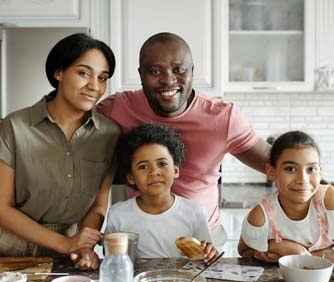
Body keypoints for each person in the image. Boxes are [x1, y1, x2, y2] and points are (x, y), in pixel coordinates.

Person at [97, 32, 270, 249]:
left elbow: (274, 162)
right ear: (140, 74)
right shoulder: (119, 108)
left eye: (179, 70)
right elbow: (75, 127)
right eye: (155, 71)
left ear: (192, 72)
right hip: (143, 239)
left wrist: (317, 183)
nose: (168, 80)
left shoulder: (223, 117)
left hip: (204, 239)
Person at [0, 33, 121, 270]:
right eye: (83, 73)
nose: (94, 86)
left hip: (72, 251)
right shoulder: (14, 126)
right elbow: (1, 207)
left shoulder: (110, 134)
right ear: (59, 72)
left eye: (103, 77)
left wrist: (83, 244)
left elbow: (98, 206)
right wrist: (65, 243)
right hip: (9, 248)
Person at [105, 123, 218, 264]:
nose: (154, 172)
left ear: (175, 170)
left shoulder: (194, 211)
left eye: (162, 164)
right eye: (143, 167)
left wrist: (210, 253)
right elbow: (111, 259)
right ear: (131, 177)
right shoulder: (118, 214)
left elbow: (206, 256)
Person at [238, 130, 334, 263]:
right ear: (271, 172)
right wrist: (268, 252)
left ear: (320, 172)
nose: (302, 180)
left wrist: (295, 252)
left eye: (311, 169)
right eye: (291, 169)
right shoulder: (261, 216)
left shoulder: (329, 200)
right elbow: (245, 252)